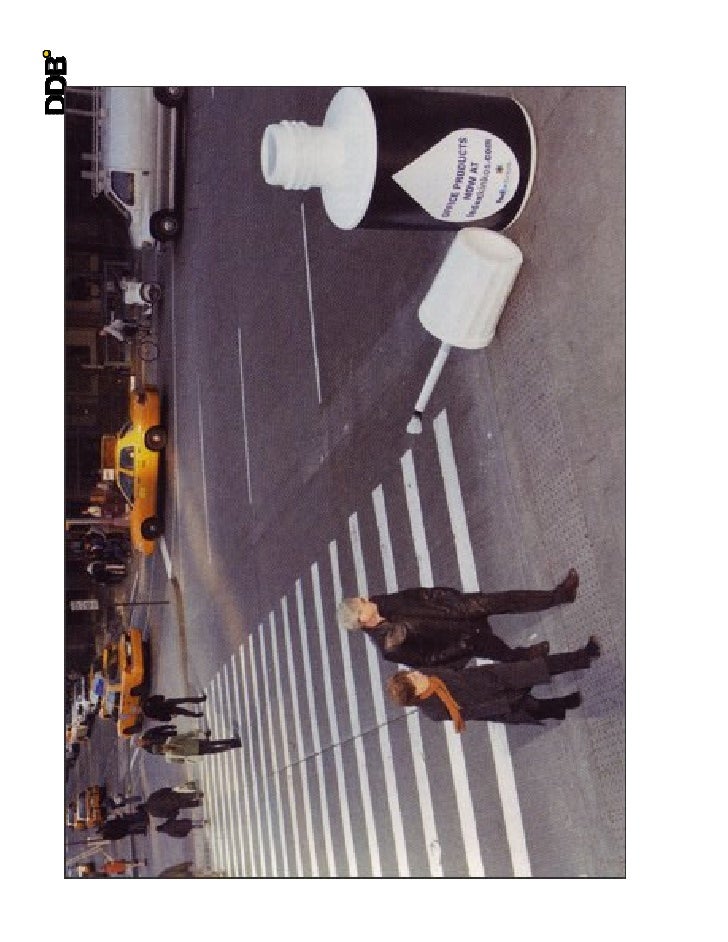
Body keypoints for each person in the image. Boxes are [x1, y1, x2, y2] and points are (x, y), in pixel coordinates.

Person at [337, 570, 580, 669]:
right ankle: (526, 656)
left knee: (507, 600)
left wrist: (445, 595)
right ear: (361, 620)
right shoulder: (389, 647)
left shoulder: (379, 601)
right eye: (361, 604)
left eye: (361, 599)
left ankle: (560, 595)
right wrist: (461, 647)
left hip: (457, 609)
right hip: (460, 638)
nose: (365, 598)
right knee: (499, 651)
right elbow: (428, 660)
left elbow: (415, 595)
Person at [385, 636, 601, 731]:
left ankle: (584, 655)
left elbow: (453, 667)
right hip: (496, 701)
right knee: (532, 707)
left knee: (538, 667)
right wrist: (505, 701)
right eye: (413, 679)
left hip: (492, 677)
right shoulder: (434, 710)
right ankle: (562, 706)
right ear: (415, 693)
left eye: (411, 673)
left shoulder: (425, 673)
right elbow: (474, 711)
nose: (416, 673)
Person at [146, 729, 242, 763]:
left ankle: (232, 746)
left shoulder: (170, 757)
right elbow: (185, 735)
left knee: (214, 749)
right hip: (196, 744)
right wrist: (196, 732)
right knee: (214, 744)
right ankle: (234, 742)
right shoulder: (170, 740)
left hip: (196, 751)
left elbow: (182, 761)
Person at [139, 786, 204, 819]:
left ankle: (198, 803)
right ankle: (198, 795)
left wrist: (174, 813)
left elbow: (165, 814)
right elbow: (160, 791)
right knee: (184, 796)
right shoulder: (151, 798)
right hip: (171, 796)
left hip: (173, 806)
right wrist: (169, 789)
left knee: (186, 804)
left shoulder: (154, 813)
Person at [142, 693, 207, 721]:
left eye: (137, 709)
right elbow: (158, 717)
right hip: (168, 711)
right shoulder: (148, 714)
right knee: (183, 711)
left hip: (167, 703)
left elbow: (154, 697)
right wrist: (169, 717)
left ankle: (200, 699)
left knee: (184, 700)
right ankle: (196, 715)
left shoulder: (146, 702)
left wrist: (161, 698)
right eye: (137, 711)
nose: (137, 710)